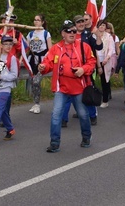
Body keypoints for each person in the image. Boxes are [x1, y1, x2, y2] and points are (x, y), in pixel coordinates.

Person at [38, 20, 96, 153]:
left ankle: (86, 137)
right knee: (56, 114)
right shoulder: (56, 48)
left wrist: (83, 69)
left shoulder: (84, 46)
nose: (72, 33)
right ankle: (54, 143)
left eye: (74, 31)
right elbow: (48, 63)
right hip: (61, 88)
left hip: (79, 88)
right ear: (62, 33)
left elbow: (92, 62)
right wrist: (43, 67)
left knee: (82, 114)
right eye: (68, 31)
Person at [26, 14, 51, 114]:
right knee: (33, 81)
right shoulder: (30, 34)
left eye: (38, 20)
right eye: (35, 20)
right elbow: (26, 48)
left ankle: (37, 104)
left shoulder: (46, 34)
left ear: (42, 22)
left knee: (36, 81)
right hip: (32, 59)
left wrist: (46, 60)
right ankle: (35, 103)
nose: (36, 22)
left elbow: (50, 49)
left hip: (42, 60)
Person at [94, 20, 117, 108]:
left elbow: (111, 49)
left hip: (104, 61)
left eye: (103, 25)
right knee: (91, 80)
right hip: (95, 59)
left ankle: (105, 100)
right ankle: (93, 98)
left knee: (105, 81)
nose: (101, 27)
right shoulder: (93, 35)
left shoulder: (109, 37)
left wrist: (107, 59)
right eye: (100, 25)